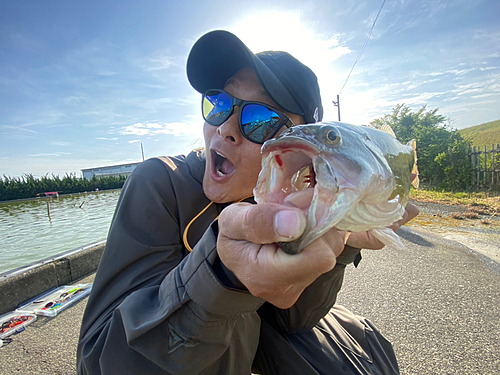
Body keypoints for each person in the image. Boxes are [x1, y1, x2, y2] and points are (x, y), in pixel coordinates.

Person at [77, 30, 419, 375]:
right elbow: (97, 363)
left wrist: (342, 245)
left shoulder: (299, 201)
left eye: (260, 120)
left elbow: (294, 322)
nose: (225, 128)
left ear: (302, 152)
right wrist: (221, 276)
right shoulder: (159, 182)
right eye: (219, 102)